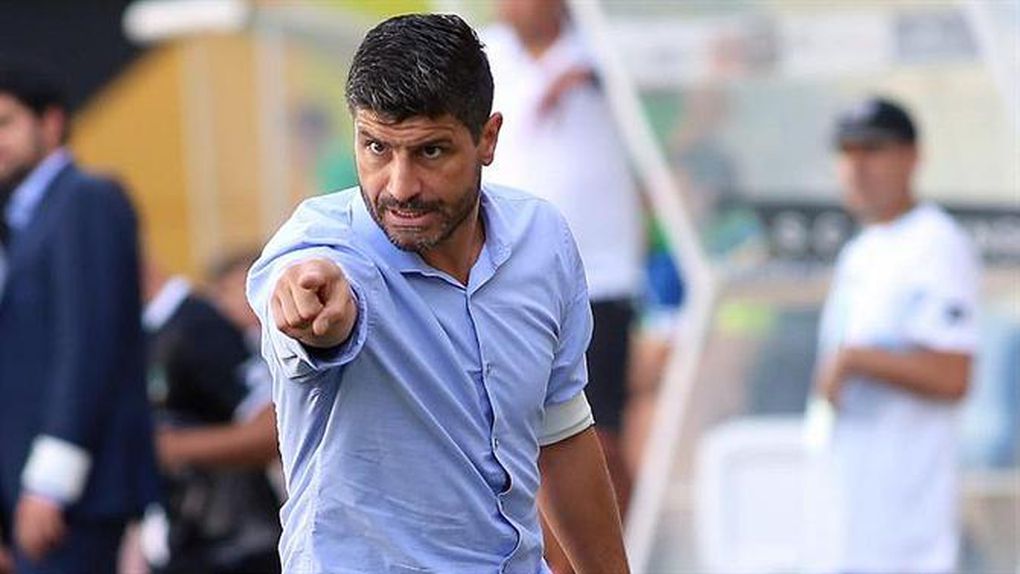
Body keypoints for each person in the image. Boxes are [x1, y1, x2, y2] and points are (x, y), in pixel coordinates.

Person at [246, 14, 629, 574]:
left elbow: (563, 433)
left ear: (488, 139)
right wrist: (315, 315)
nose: (400, 187)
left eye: (430, 152)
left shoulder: (542, 240)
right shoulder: (317, 248)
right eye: (376, 147)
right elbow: (305, 308)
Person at [482, 0, 644, 516]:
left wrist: (588, 74)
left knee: (599, 439)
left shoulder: (605, 46)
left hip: (600, 277)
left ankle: (615, 550)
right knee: (520, 442)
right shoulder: (483, 55)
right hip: (508, 280)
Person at [808, 96, 980, 573]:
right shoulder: (861, 249)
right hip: (853, 511)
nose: (857, 167)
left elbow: (954, 373)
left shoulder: (935, 243)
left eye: (873, 150)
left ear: (911, 156)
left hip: (908, 528)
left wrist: (856, 360)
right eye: (847, 152)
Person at [0, 59, 158, 573]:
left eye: (5, 123)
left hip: (67, 499)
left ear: (51, 122)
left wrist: (51, 484)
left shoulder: (85, 198)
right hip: (26, 493)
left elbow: (88, 346)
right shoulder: (24, 217)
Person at [141, 261, 282, 573]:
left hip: (235, 548)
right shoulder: (143, 332)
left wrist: (171, 448)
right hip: (182, 543)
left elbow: (273, 429)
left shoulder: (197, 326)